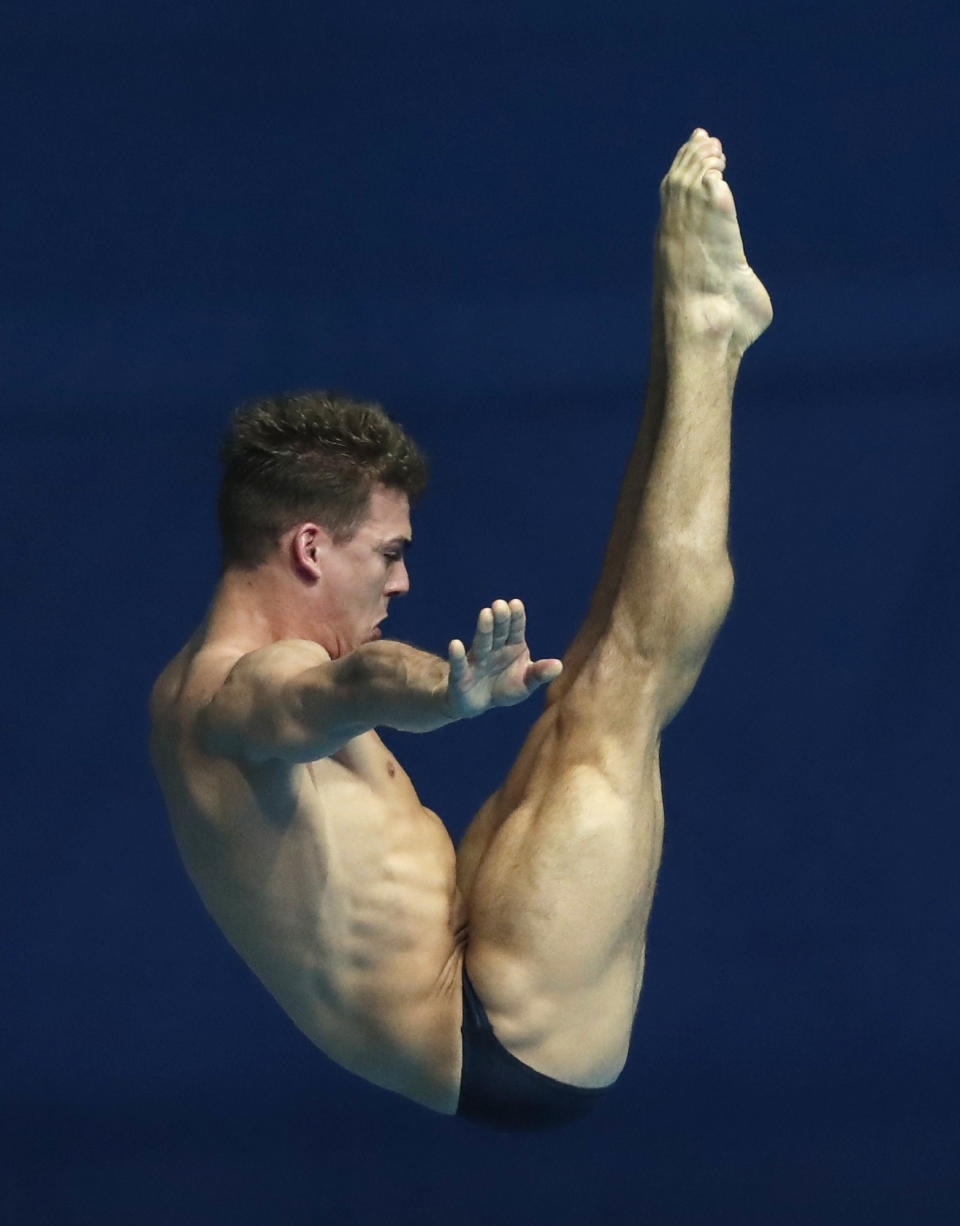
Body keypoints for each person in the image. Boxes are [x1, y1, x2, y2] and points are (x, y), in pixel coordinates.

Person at [149, 129, 772, 1132]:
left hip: (470, 945)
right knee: (624, 691)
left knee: (600, 662)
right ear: (310, 546)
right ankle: (705, 330)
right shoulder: (236, 693)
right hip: (496, 1029)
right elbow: (332, 695)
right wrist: (446, 693)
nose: (402, 580)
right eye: (388, 554)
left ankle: (693, 320)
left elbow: (334, 689)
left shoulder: (208, 682)